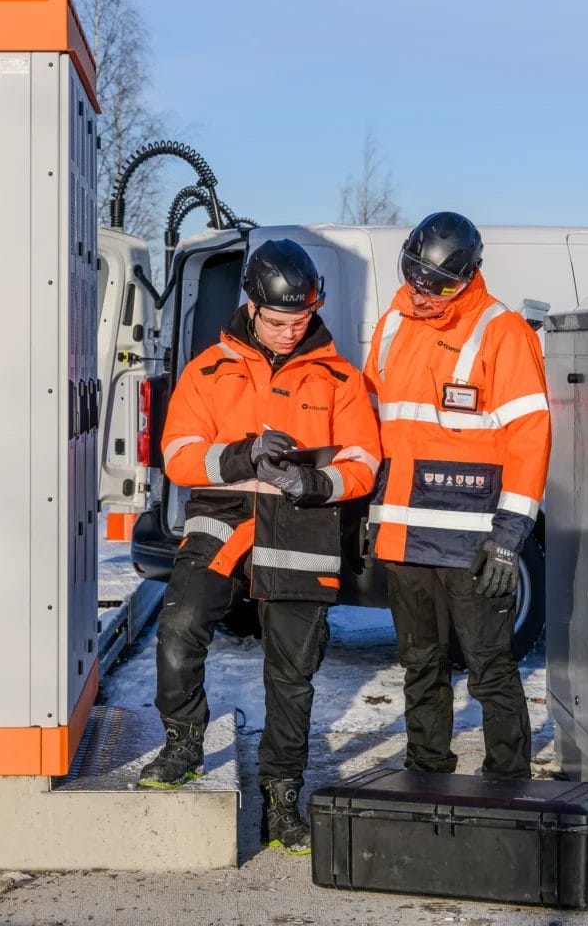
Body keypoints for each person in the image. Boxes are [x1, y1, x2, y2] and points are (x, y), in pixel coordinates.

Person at [143, 238, 381, 856]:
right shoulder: (207, 370)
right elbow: (176, 455)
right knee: (180, 625)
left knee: (294, 670)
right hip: (225, 512)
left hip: (301, 518)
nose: (287, 331)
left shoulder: (339, 378)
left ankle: (283, 794)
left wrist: (312, 482)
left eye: (299, 319)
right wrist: (239, 455)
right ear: (251, 307)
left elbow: (362, 460)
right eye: (277, 321)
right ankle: (184, 743)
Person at [362, 211, 550, 779]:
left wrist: (508, 541)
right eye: (414, 276)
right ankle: (427, 769)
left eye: (439, 284)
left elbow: (530, 437)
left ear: (470, 275)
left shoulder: (502, 331)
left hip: (472, 542)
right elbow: (374, 424)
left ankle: (510, 782)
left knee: (490, 666)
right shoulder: (392, 324)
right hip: (404, 536)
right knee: (419, 665)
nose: (423, 293)